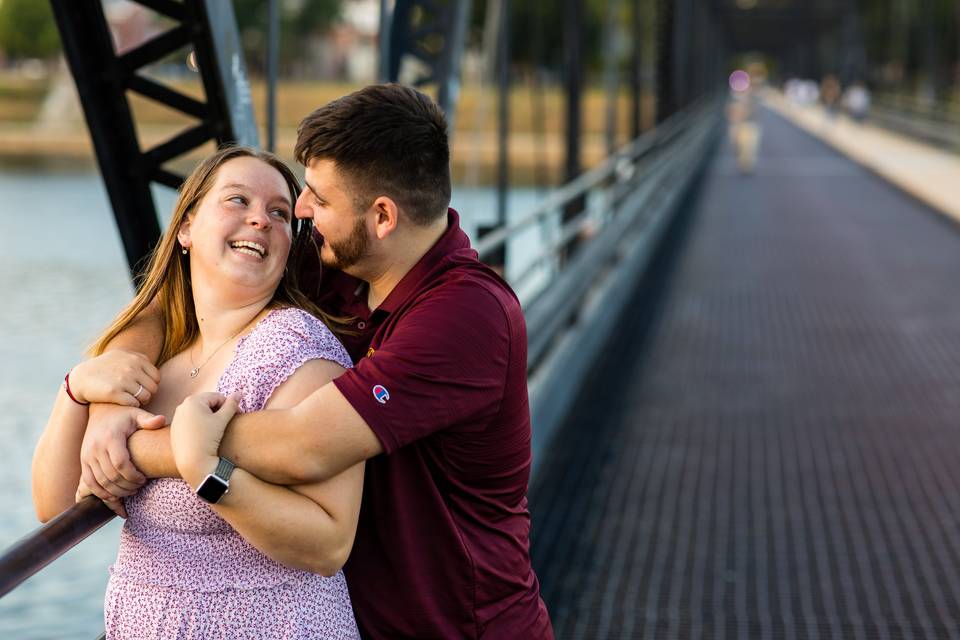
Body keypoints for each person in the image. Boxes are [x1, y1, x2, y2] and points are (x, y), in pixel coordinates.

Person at [76, 83, 554, 638]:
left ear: (382, 217)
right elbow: (172, 296)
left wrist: (142, 446)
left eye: (319, 200)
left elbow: (305, 446)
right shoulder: (339, 265)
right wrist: (114, 393)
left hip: (458, 627)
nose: (300, 211)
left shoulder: (467, 315)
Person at [32, 146, 363, 639]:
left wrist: (208, 471)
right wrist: (77, 391)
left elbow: (327, 545)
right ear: (185, 228)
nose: (261, 220)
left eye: (278, 213)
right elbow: (56, 506)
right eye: (238, 201)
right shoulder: (156, 357)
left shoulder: (296, 349)